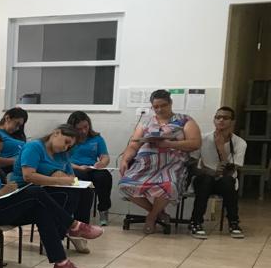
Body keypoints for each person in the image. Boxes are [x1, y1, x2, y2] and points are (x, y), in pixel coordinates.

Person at [0, 131, 99, 268]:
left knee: (42, 211)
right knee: (35, 191)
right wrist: (1, 192)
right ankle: (73, 226)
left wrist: (6, 190)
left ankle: (61, 262)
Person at [119, 89, 202, 233]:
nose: (159, 109)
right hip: (146, 165)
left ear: (170, 103)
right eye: (156, 107)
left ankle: (151, 217)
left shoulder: (185, 120)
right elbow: (133, 145)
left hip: (172, 164)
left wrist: (169, 144)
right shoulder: (145, 123)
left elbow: (195, 143)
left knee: (168, 186)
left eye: (163, 105)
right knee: (124, 185)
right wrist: (125, 160)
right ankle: (158, 213)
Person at [12, 124, 96, 254]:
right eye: (66, 142)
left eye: (69, 146)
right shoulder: (34, 147)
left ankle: (77, 233)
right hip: (27, 190)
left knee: (87, 192)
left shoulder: (62, 154)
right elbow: (28, 176)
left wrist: (60, 177)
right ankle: (55, 239)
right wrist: (57, 177)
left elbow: (72, 178)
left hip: (49, 187)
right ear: (56, 133)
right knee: (66, 194)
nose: (66, 147)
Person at [190, 106, 246, 239]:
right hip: (205, 179)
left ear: (232, 122)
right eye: (218, 117)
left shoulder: (239, 143)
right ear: (214, 120)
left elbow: (229, 171)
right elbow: (192, 165)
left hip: (225, 181)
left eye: (225, 118)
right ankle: (196, 223)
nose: (221, 120)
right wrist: (208, 172)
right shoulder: (203, 139)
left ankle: (234, 223)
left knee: (228, 181)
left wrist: (221, 148)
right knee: (206, 180)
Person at [67, 111, 112, 226]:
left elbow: (105, 156)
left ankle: (103, 209)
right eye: (79, 129)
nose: (83, 131)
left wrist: (102, 163)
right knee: (79, 179)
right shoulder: (68, 139)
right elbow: (62, 161)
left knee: (105, 177)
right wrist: (79, 167)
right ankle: (79, 215)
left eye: (85, 127)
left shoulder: (97, 138)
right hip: (74, 168)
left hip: (92, 168)